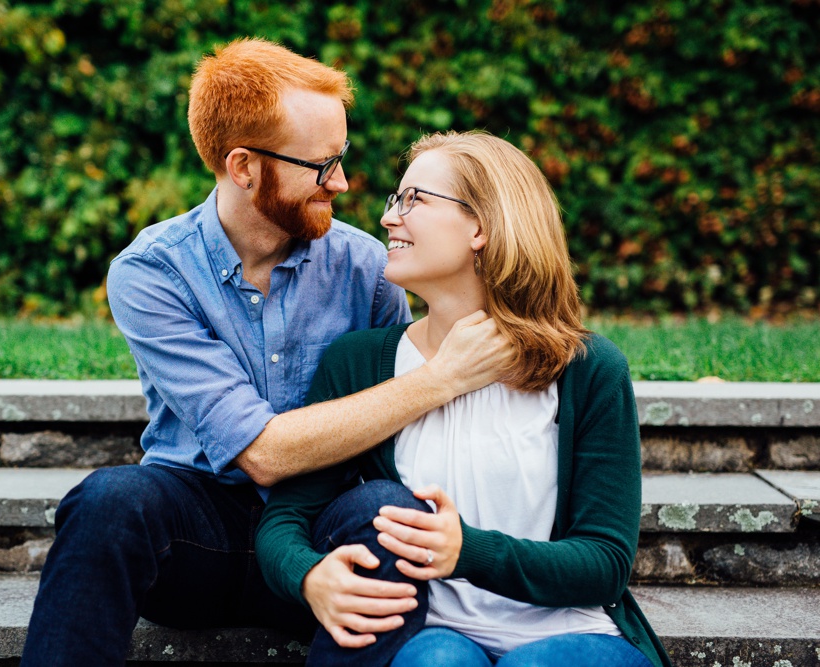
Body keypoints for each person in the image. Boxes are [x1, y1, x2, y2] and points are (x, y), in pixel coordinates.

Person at [21, 41, 513, 667]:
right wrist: (442, 378)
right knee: (107, 503)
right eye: (320, 164)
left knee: (387, 512)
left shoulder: (366, 265)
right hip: (196, 533)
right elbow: (262, 452)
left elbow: (397, 434)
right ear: (244, 167)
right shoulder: (153, 272)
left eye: (343, 157)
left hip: (321, 530)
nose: (342, 181)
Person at [256, 130, 673, 667]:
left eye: (414, 200)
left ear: (481, 226)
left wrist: (467, 551)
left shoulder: (587, 370)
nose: (388, 218)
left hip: (571, 631)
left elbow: (606, 560)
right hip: (433, 632)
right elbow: (286, 519)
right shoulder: (358, 362)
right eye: (394, 200)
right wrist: (308, 576)